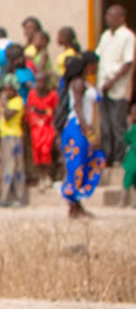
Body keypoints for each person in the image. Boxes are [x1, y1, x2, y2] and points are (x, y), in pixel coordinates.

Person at [59, 52, 105, 219]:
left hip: (85, 127)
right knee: (76, 165)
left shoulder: (87, 83)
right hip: (78, 128)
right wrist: (89, 133)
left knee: (87, 162)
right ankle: (73, 205)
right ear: (88, 65)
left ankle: (76, 203)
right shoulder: (78, 83)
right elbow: (78, 109)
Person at [98, 5, 134, 170]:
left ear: (121, 17)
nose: (108, 18)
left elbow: (128, 63)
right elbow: (99, 56)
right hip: (103, 86)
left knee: (118, 124)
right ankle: (108, 157)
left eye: (112, 16)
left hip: (118, 88)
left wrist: (112, 81)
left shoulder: (128, 37)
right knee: (105, 125)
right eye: (107, 15)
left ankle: (120, 158)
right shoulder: (106, 36)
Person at [0, 63, 27, 207]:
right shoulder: (10, 101)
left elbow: (8, 116)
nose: (5, 91)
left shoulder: (17, 102)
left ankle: (15, 197)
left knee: (15, 168)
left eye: (8, 88)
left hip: (13, 137)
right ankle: (6, 196)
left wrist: (3, 102)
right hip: (6, 137)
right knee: (8, 167)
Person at [25, 72, 62, 185]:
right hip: (35, 128)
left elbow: (56, 111)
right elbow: (29, 111)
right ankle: (41, 176)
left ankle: (48, 175)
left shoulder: (52, 95)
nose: (39, 84)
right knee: (37, 152)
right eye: (37, 81)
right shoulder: (32, 94)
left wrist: (56, 126)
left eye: (42, 81)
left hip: (48, 127)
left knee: (47, 150)